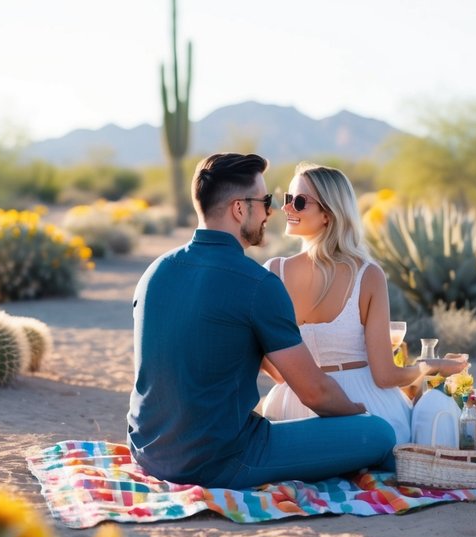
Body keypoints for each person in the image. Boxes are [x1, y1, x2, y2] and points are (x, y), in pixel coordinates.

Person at [126, 152, 396, 488]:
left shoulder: (156, 271)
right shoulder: (257, 284)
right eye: (266, 200)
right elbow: (315, 393)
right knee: (380, 434)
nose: (272, 211)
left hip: (148, 452)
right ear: (240, 209)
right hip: (222, 459)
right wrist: (358, 414)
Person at [259, 162, 466, 445]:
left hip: (292, 409)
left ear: (328, 215)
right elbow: (384, 376)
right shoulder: (367, 275)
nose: (286, 208)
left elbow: (276, 370)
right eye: (287, 199)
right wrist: (428, 366)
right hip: (362, 406)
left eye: (299, 201)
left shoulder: (273, 272)